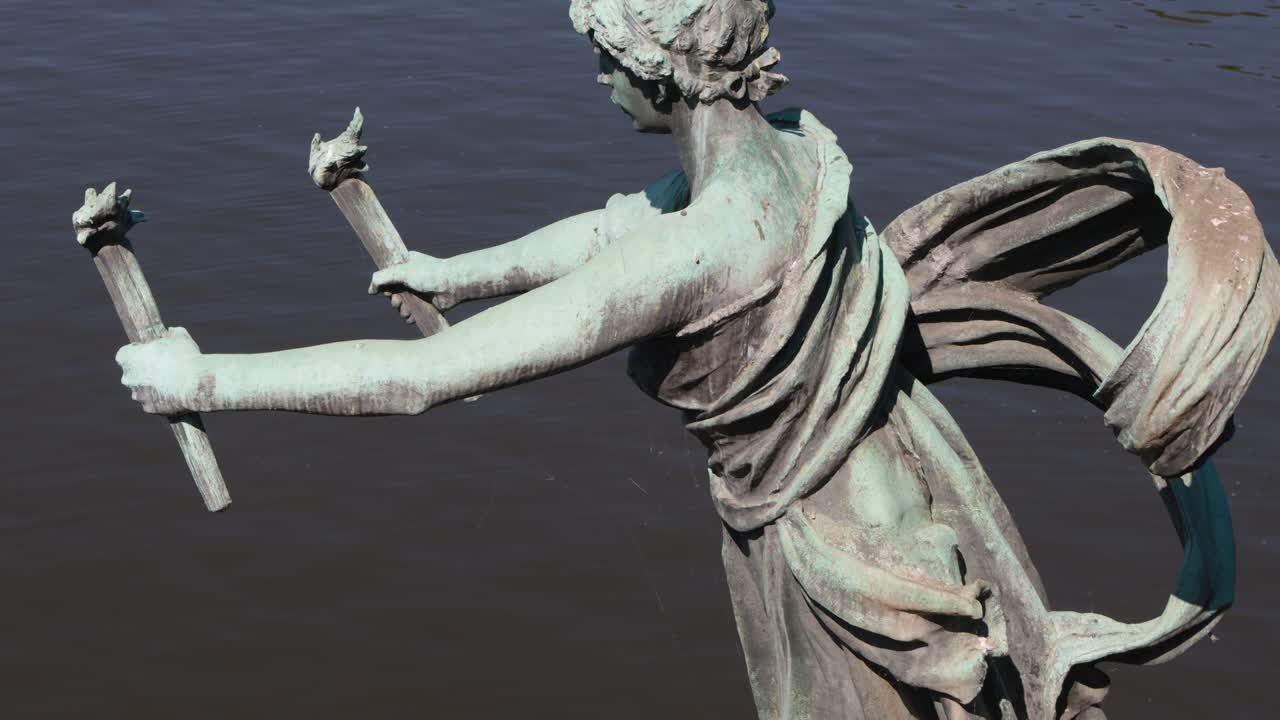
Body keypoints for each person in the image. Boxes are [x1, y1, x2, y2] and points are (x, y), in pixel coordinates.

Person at [116, 2, 1278, 718]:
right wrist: (447, 268)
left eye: (600, 51)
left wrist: (205, 377)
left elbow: (427, 380)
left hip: (847, 565)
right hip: (882, 499)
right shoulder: (785, 160)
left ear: (657, 69)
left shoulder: (706, 246)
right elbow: (610, 228)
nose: (592, 74)